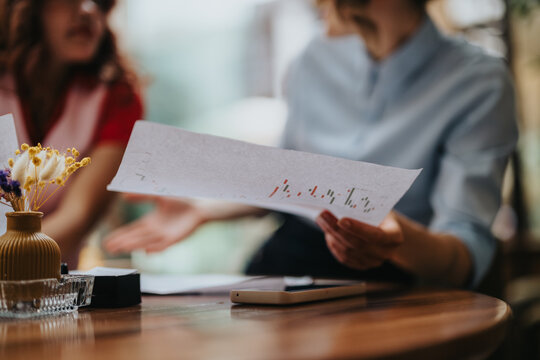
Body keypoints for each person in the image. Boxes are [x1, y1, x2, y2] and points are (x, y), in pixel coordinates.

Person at [105, 0, 517, 288]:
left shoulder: (477, 83)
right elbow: (293, 184)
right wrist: (204, 207)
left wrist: (394, 240)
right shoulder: (311, 63)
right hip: (290, 259)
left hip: (397, 276)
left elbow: (465, 257)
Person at [0, 0, 144, 267]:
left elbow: (78, 217)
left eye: (101, 3)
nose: (88, 10)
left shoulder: (117, 99)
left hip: (54, 288)